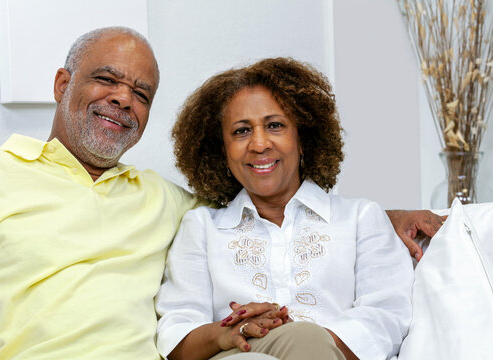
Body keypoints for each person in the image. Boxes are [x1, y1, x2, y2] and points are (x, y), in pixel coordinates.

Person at [0, 26, 442, 359]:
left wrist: (388, 216)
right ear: (63, 83)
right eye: (106, 79)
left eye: (142, 93)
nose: (124, 98)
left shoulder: (161, 201)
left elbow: (271, 204)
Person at [155, 58, 416, 360]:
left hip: (334, 353)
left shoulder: (361, 218)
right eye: (241, 131)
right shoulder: (201, 228)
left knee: (305, 338)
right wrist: (230, 333)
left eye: (275, 125)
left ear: (302, 138)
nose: (259, 143)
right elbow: (177, 337)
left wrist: (299, 339)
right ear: (222, 151)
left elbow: (387, 317)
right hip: (240, 355)